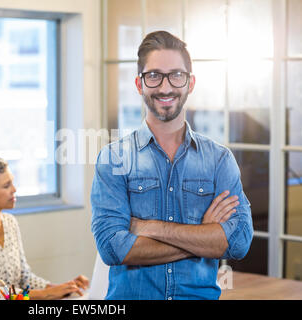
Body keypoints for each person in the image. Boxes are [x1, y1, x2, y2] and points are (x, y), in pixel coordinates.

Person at [91, 30, 253, 300]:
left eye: (176, 75)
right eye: (154, 75)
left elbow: (237, 243)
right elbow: (112, 248)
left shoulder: (219, 160)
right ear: (139, 83)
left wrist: (148, 227)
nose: (165, 87)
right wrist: (203, 237)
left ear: (190, 83)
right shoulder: (113, 159)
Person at [0, 155, 89, 300]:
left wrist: (62, 288)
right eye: (6, 186)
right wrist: (46, 293)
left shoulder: (10, 223)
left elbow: (24, 277)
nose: (14, 189)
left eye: (12, 183)